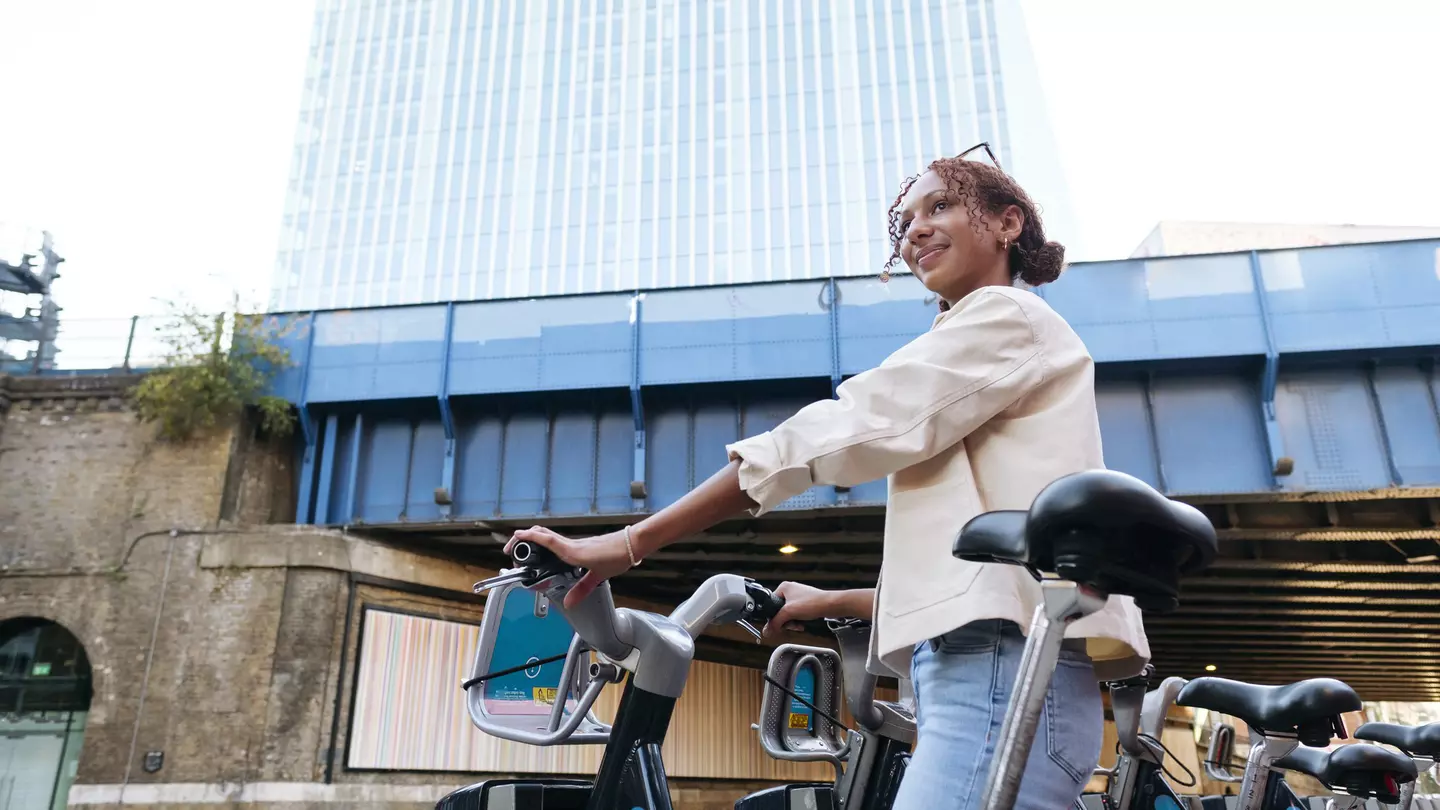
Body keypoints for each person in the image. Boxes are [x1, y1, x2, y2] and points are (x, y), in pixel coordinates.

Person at [505, 144, 1148, 810]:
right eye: (904, 222)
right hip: (1007, 675)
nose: (915, 229)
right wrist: (826, 601)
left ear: (1008, 224)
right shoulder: (993, 342)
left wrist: (628, 544)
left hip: (995, 674)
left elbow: (843, 430)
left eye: (940, 205)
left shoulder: (1004, 318)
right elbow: (986, 572)